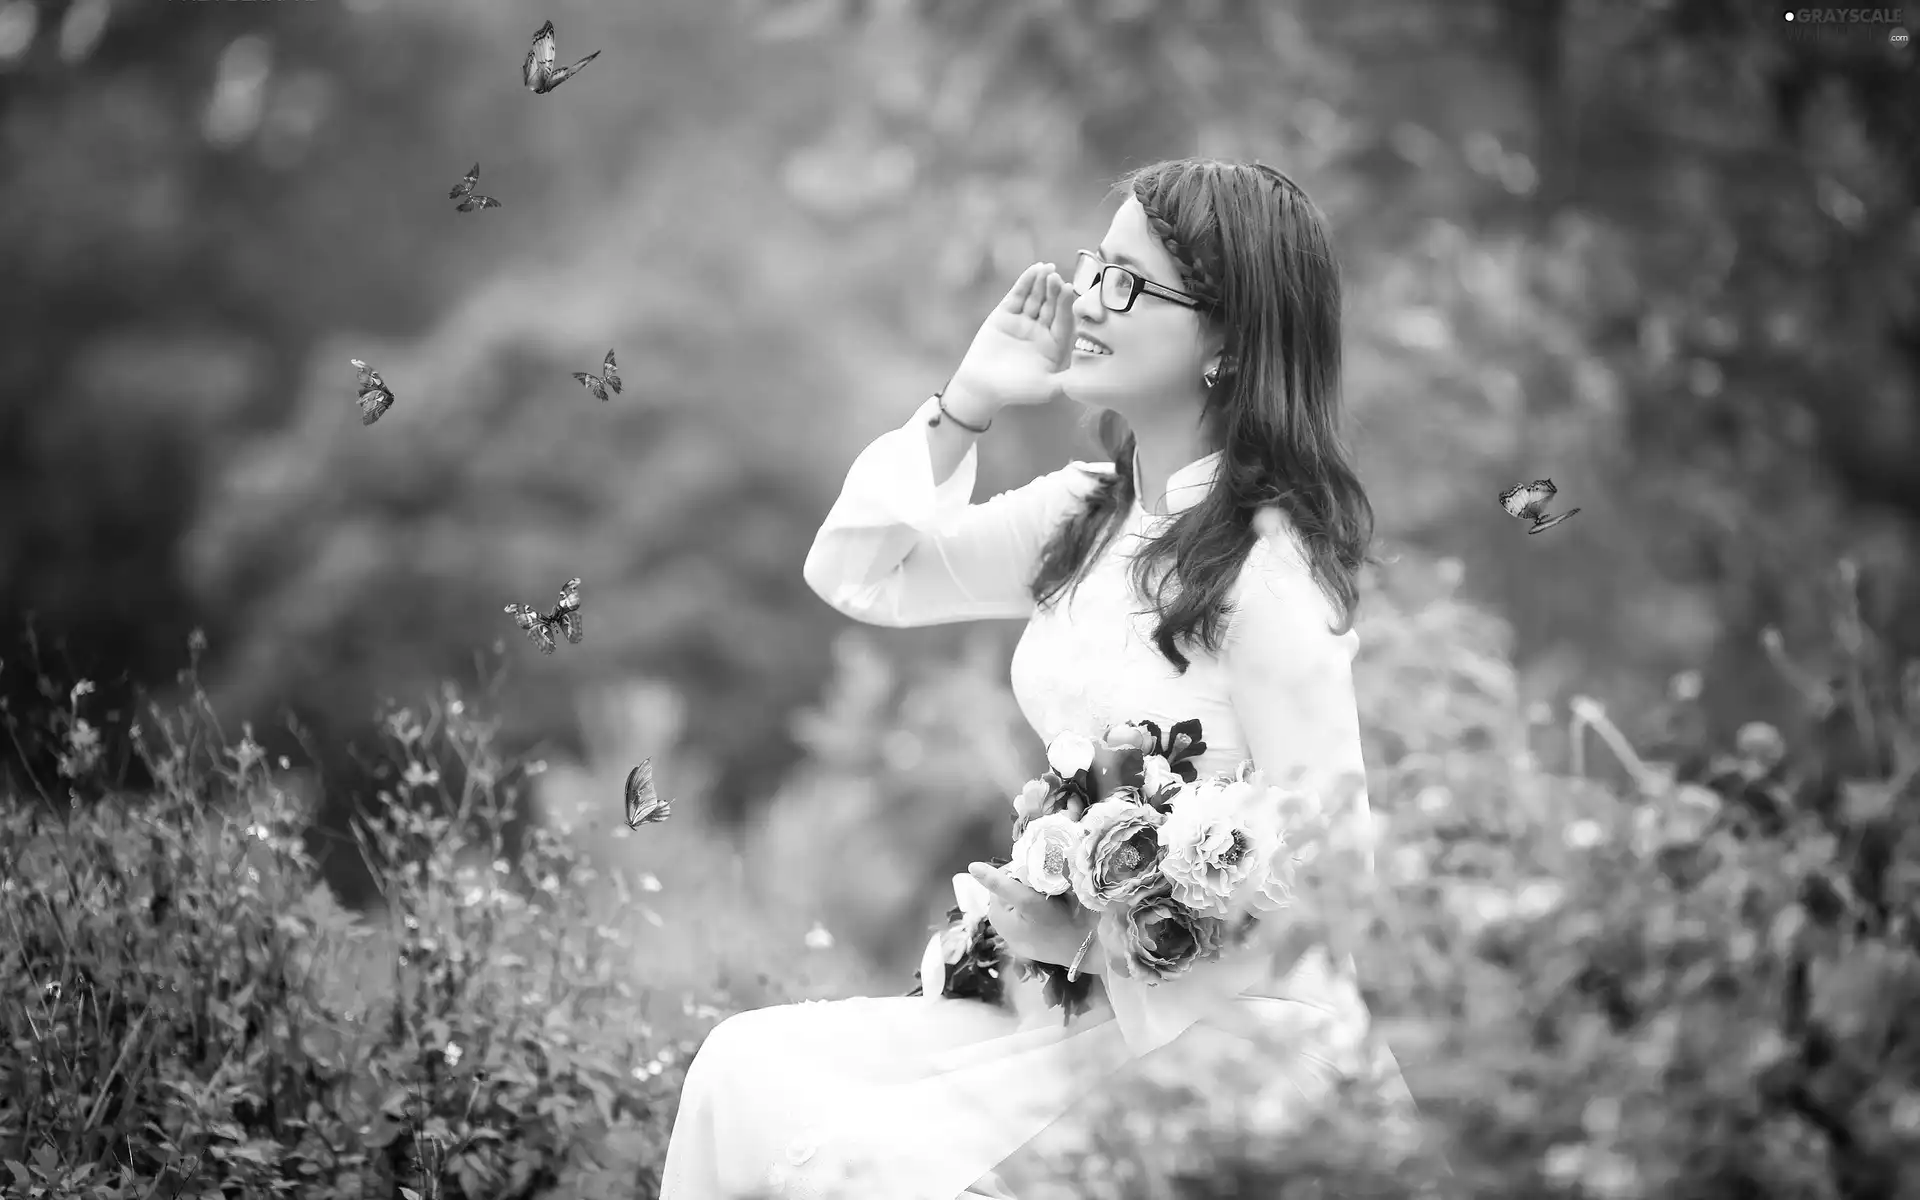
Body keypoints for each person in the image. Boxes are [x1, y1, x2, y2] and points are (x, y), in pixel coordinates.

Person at [658, 157, 1418, 1200]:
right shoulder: (1087, 516)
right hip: (1078, 1008)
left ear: (1229, 341)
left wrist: (1117, 928)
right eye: (1093, 266)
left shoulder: (1265, 572)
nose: (1088, 303)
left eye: (1130, 284)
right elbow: (858, 574)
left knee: (863, 1165)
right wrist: (967, 401)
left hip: (1227, 1036)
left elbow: (1337, 885)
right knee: (743, 1072)